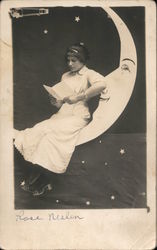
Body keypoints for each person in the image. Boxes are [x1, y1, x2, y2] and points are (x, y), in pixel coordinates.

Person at [14, 42, 107, 196]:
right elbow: (62, 102)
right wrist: (56, 101)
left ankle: (37, 181)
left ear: (82, 60)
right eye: (68, 60)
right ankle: (41, 182)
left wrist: (79, 96)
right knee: (39, 130)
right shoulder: (65, 75)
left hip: (78, 116)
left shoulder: (89, 73)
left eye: (74, 61)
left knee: (50, 137)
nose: (70, 64)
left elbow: (102, 84)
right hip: (63, 113)